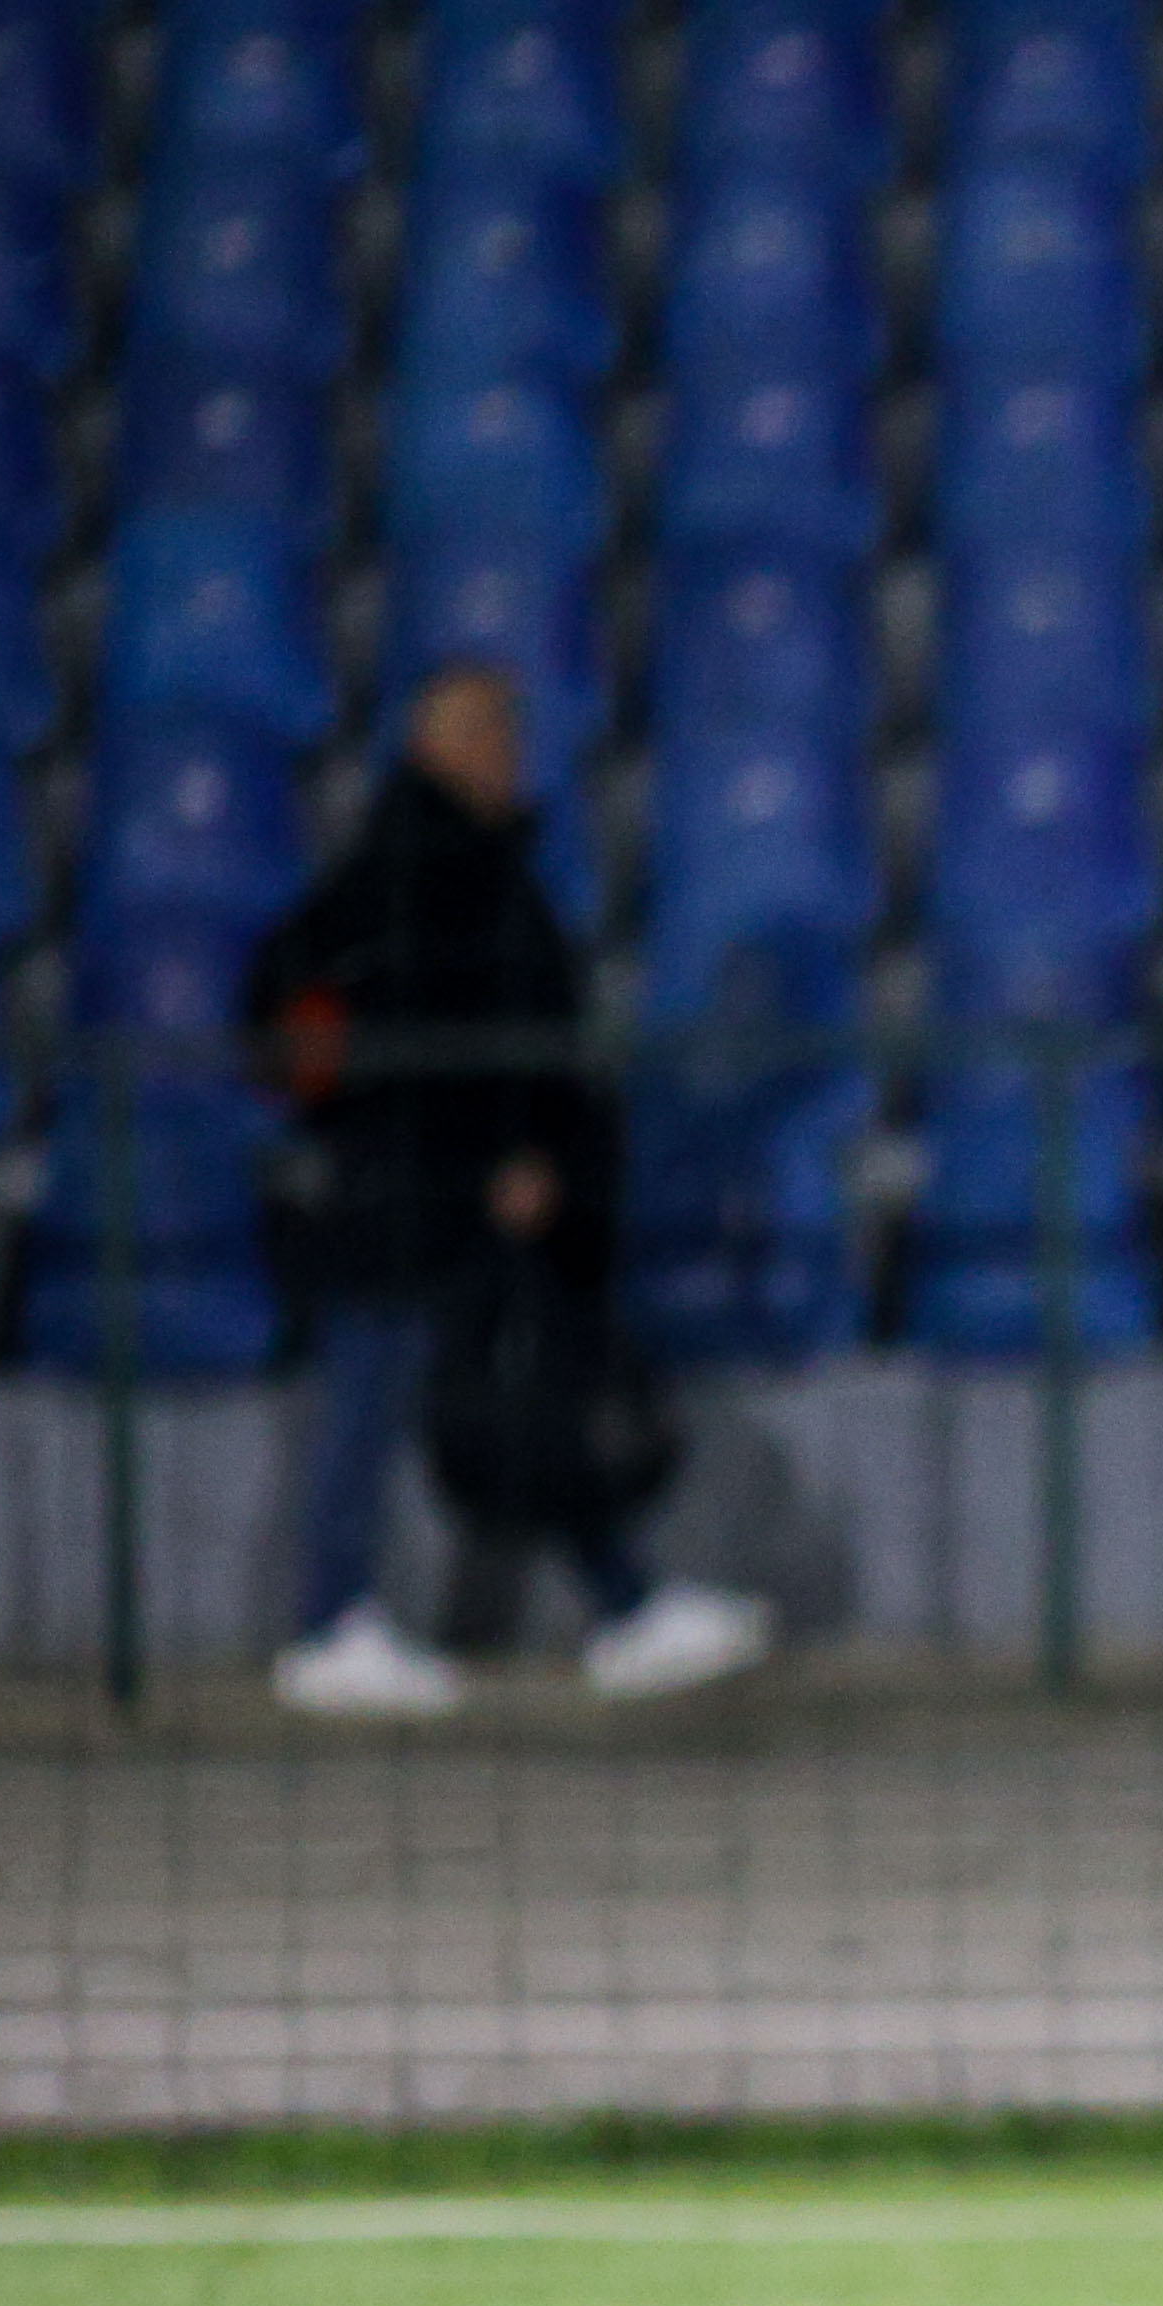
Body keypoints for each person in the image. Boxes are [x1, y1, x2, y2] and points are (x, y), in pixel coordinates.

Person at [252, 665, 768, 1717]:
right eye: (489, 732)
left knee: (524, 1386)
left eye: (510, 733)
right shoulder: (409, 875)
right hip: (413, 1195)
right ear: (439, 745)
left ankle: (624, 1605)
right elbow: (353, 1029)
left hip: (456, 1192)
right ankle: (328, 1622)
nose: (510, 755)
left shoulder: (463, 868)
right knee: (373, 1403)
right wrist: (490, 1151)